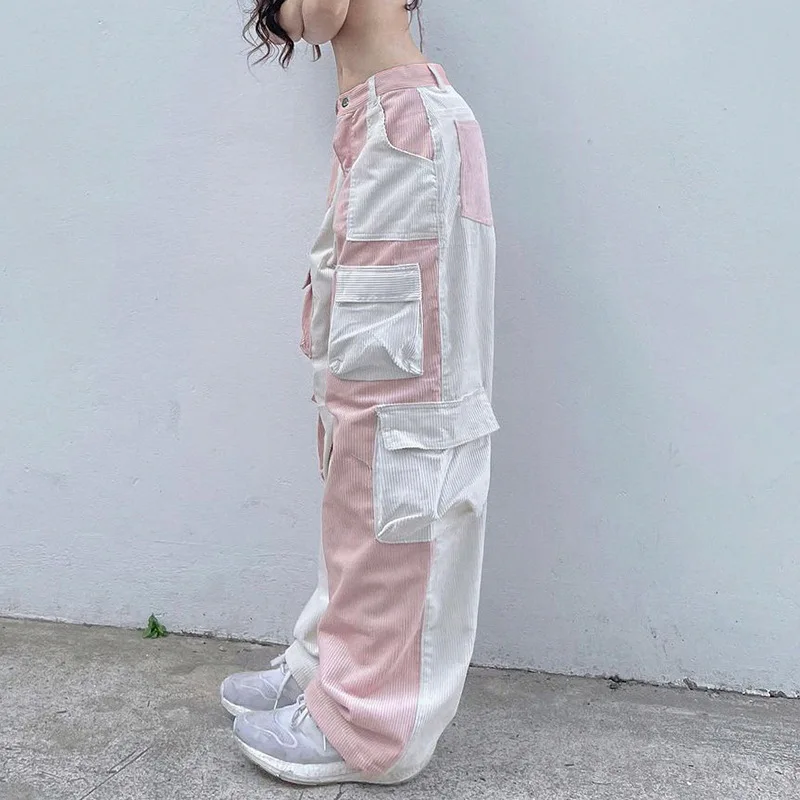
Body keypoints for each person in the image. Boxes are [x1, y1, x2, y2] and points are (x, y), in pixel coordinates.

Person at [220, 0, 498, 786]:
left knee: (398, 425)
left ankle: (373, 720)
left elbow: (316, 12)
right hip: (380, 128)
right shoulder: (390, 112)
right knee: (354, 426)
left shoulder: (412, 118)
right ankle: (328, 666)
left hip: (402, 136)